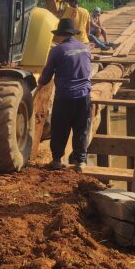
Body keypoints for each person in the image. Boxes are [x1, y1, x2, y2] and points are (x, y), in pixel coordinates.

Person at [38, 17, 92, 172]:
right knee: (81, 129)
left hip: (65, 97)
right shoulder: (85, 48)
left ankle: (56, 160)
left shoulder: (57, 51)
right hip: (84, 96)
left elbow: (46, 76)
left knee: (60, 129)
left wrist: (40, 84)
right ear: (73, 34)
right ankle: (80, 162)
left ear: (60, 35)